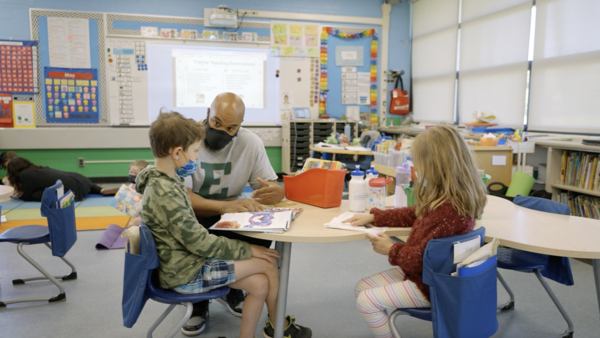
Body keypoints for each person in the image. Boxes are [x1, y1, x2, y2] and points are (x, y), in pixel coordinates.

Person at [136, 111, 311, 338]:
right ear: (178, 152)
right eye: (196, 151)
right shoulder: (166, 192)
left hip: (183, 262)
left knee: (259, 284)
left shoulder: (163, 182)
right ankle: (280, 328)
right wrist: (249, 250)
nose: (197, 158)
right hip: (186, 273)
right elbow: (199, 242)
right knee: (269, 264)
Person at [344, 125, 487, 338]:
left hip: (432, 285)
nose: (416, 168)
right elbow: (415, 213)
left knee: (366, 300)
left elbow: (422, 259)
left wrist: (391, 249)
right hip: (427, 276)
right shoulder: (449, 198)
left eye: (418, 163)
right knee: (361, 288)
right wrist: (376, 216)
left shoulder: (449, 212)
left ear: (434, 165)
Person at [184, 92, 285, 335]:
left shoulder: (250, 142)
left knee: (262, 228)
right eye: (216, 123)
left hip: (233, 214)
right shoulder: (188, 139)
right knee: (191, 232)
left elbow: (268, 185)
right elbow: (181, 198)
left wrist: (277, 192)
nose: (222, 131)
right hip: (197, 212)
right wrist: (224, 206)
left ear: (240, 126)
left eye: (231, 128)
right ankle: (198, 304)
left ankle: (233, 288)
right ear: (208, 113)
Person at [7, 157, 119, 201]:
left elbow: (27, 195)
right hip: (83, 181)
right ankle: (102, 190)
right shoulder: (37, 168)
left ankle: (101, 191)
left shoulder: (25, 174)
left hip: (72, 192)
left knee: (34, 194)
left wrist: (18, 194)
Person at [126, 160, 149, 227]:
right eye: (130, 172)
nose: (132, 175)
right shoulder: (131, 185)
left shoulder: (146, 186)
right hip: (134, 210)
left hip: (144, 212)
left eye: (135, 174)